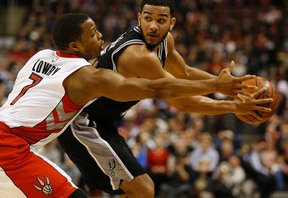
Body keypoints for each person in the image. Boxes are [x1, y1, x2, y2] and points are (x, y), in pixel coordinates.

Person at [0, 13, 256, 198]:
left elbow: (182, 73)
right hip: (10, 147)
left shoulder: (41, 56)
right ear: (75, 46)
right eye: (92, 34)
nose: (100, 35)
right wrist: (218, 86)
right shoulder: (86, 78)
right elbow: (156, 88)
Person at [57, 0, 274, 198]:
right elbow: (181, 101)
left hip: (104, 121)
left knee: (131, 191)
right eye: (148, 18)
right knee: (143, 189)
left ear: (171, 23)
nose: (153, 25)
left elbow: (186, 73)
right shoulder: (139, 55)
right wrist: (231, 103)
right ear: (139, 18)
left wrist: (229, 86)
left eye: (161, 20)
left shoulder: (165, 42)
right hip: (83, 122)